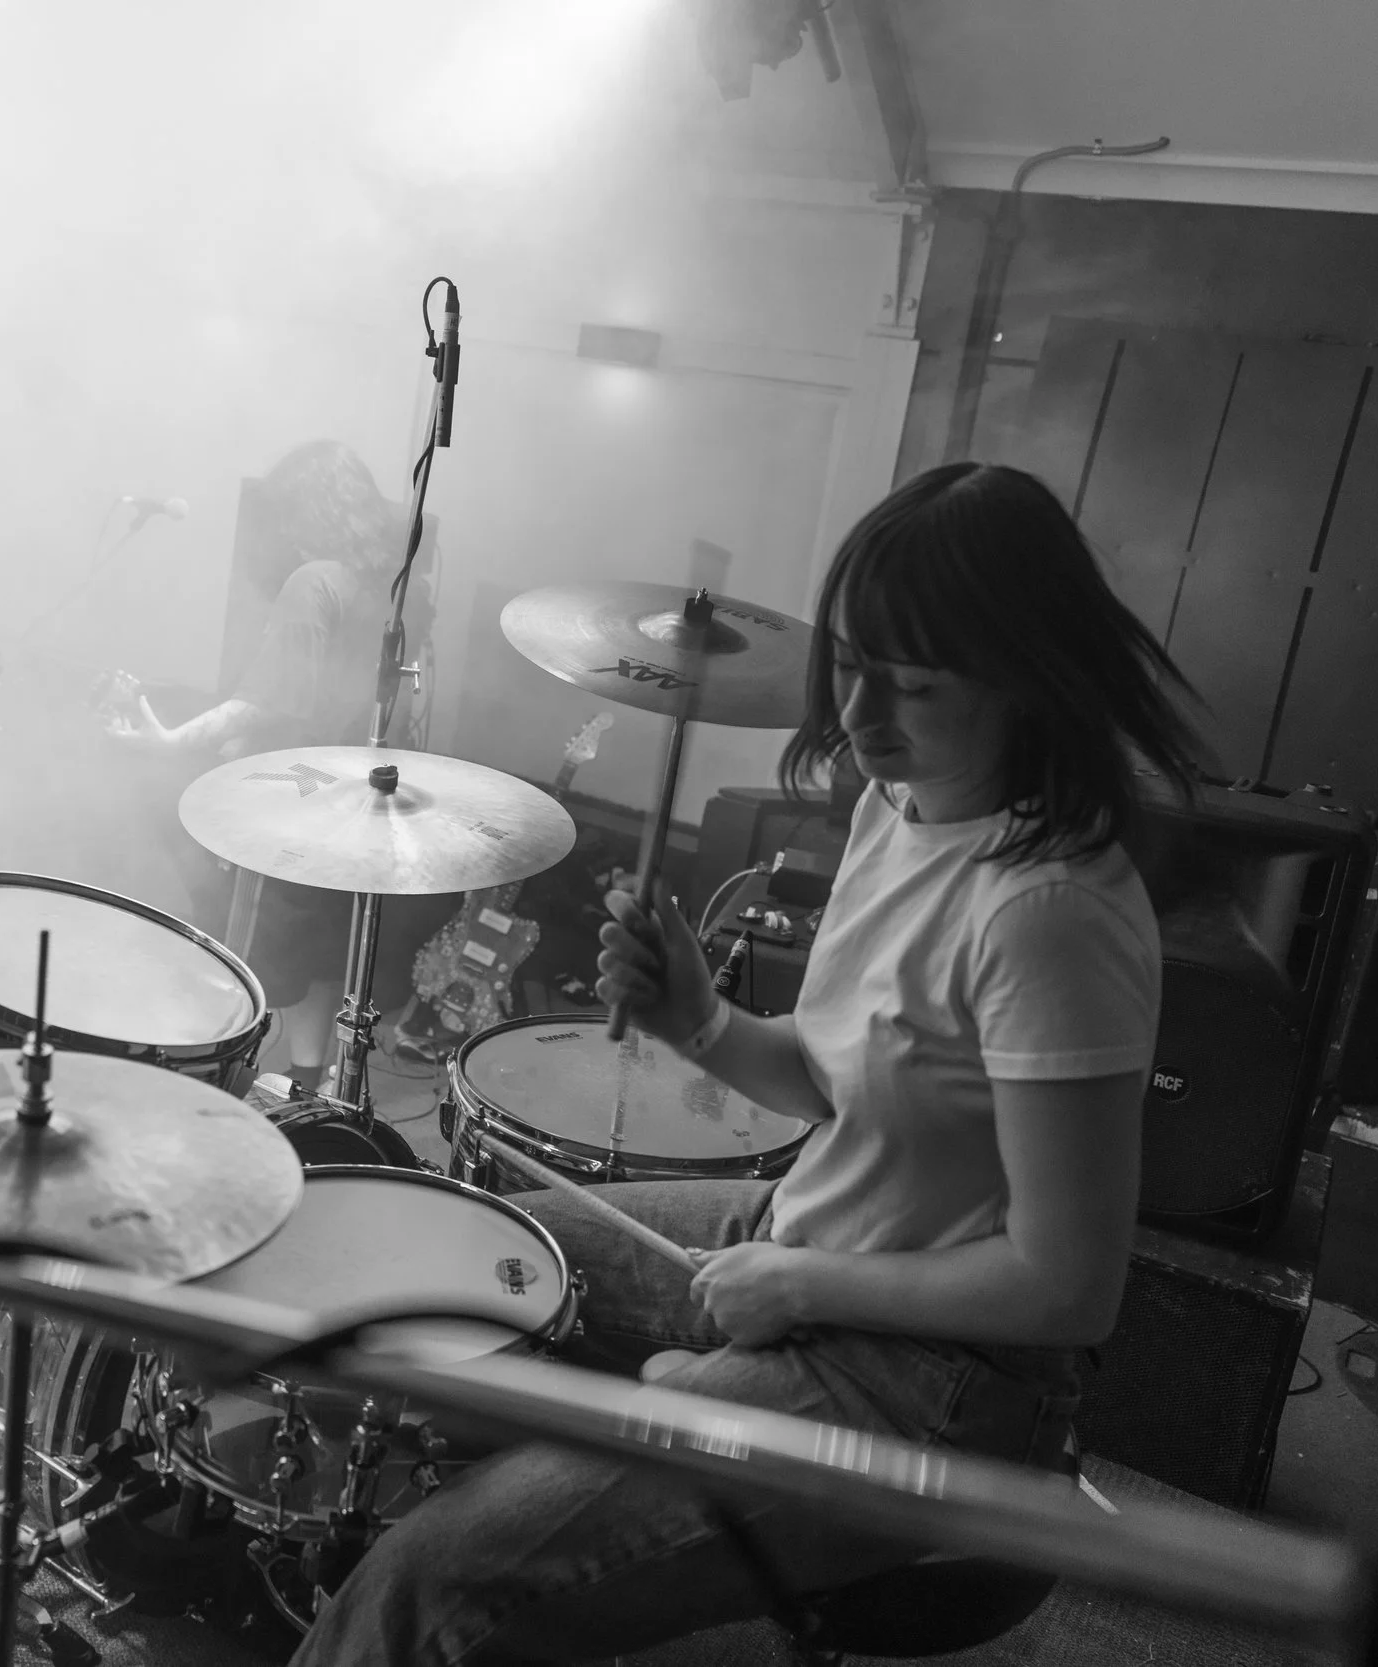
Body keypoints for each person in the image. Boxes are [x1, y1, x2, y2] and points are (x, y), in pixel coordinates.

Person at [287, 461, 1204, 1663]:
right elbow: (831, 1082)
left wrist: (789, 1291)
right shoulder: (903, 799)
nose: (863, 718)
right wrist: (696, 1018)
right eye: (855, 666)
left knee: (434, 1574)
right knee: (466, 1251)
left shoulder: (1047, 914)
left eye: (914, 685)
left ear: (1028, 684)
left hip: (938, 1381)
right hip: (812, 1237)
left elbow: (1066, 1286)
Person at [107, 440, 427, 1095]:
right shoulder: (400, 589)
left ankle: (206, 1078)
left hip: (290, 796)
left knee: (236, 940)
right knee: (319, 958)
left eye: (287, 514)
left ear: (308, 512)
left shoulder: (313, 582)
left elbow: (271, 699)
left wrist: (172, 741)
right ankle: (309, 1082)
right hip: (353, 793)